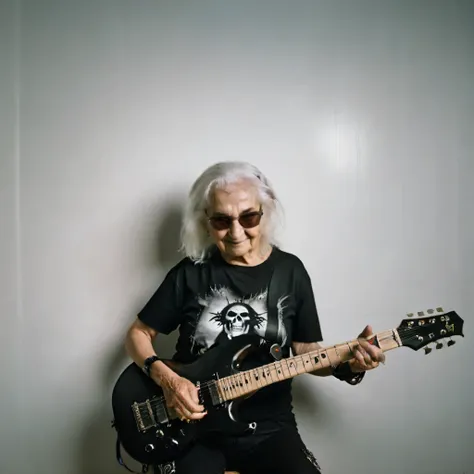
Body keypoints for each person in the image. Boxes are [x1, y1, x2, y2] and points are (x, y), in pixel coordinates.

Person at [124, 161, 385, 474]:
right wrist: (168, 381)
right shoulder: (189, 274)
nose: (236, 232)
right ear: (205, 222)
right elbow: (138, 334)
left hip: (269, 429)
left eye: (248, 216)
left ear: (265, 211)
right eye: (222, 220)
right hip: (192, 427)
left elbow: (304, 351)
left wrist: (348, 364)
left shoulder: (291, 272)